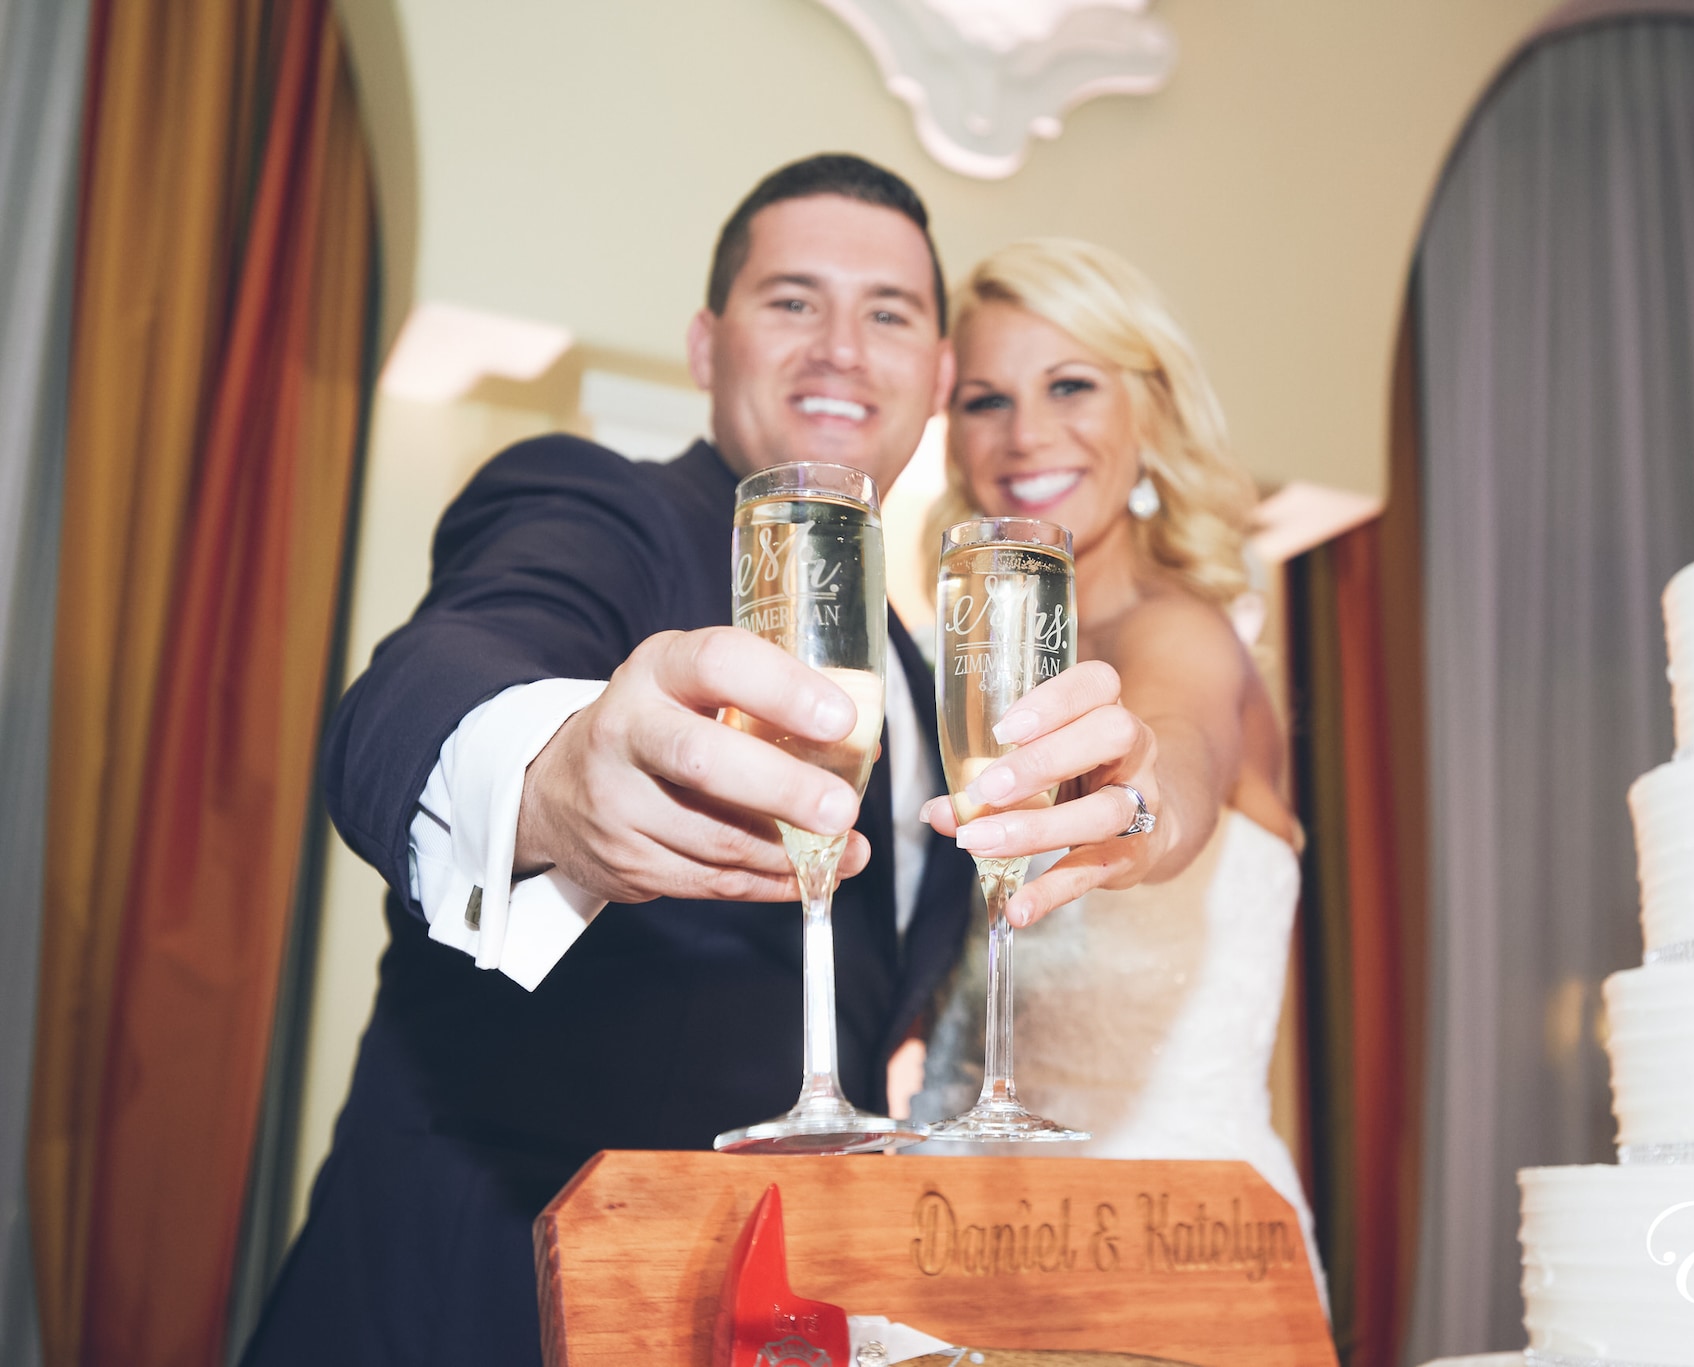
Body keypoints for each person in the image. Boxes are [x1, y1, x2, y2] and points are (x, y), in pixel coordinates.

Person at [242, 157, 1166, 1366]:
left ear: (935, 374)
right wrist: (553, 776)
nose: (840, 345)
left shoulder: (926, 676)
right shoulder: (594, 505)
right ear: (702, 343)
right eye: (791, 300)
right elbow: (439, 672)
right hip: (469, 1303)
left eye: (886, 311)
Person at [910, 239, 1327, 1302]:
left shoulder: (1186, 630)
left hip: (1170, 1248)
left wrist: (1136, 797)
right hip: (961, 1234)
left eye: (1070, 386)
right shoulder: (964, 676)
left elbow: (1173, 758)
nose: (1025, 434)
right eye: (984, 399)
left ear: (1148, 410)